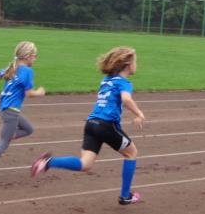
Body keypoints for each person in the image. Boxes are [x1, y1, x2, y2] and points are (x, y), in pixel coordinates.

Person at [30, 46, 145, 205]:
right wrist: (139, 114)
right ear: (127, 64)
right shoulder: (124, 83)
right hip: (106, 125)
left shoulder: (106, 80)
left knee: (85, 164)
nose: (136, 64)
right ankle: (125, 196)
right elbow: (126, 99)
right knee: (131, 153)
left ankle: (48, 162)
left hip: (91, 124)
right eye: (135, 61)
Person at [0, 42, 45, 183]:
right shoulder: (27, 71)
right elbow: (29, 93)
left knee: (28, 129)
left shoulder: (12, 67)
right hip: (11, 111)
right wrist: (40, 92)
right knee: (4, 145)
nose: (36, 58)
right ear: (27, 56)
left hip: (6, 108)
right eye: (35, 55)